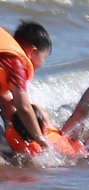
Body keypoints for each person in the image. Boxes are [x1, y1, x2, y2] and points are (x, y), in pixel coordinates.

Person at [1, 22, 58, 157]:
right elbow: (23, 107)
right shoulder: (16, 63)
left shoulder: (5, 57)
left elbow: (4, 99)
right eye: (43, 57)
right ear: (32, 52)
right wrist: (41, 139)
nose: (42, 63)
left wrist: (10, 125)